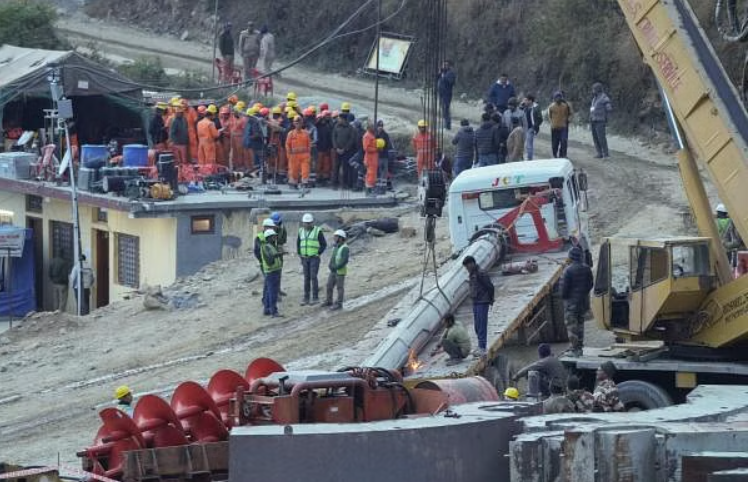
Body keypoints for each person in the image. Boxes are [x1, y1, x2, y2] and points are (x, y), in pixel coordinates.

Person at [562, 246, 594, 356]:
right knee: (580, 325)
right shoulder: (587, 268)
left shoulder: (568, 270)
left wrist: (567, 298)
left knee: (571, 326)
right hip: (583, 303)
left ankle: (575, 350)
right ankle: (580, 347)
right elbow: (590, 285)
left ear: (571, 257)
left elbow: (564, 291)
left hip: (571, 304)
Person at [462, 255, 495, 357]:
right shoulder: (472, 274)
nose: (467, 269)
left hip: (482, 302)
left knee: (481, 325)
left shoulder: (481, 273)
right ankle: (480, 346)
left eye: (467, 266)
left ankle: (483, 347)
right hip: (476, 302)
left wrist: (490, 299)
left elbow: (490, 287)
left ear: (472, 264)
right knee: (477, 326)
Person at [297, 213, 327, 305]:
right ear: (303, 223)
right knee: (306, 278)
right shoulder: (300, 231)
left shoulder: (318, 231)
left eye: (309, 223)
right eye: (306, 223)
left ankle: (315, 298)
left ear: (312, 223)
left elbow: (323, 244)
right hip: (304, 258)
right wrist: (300, 255)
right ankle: (306, 298)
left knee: (313, 277)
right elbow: (298, 244)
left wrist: (318, 253)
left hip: (314, 258)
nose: (307, 224)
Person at [324, 229, 349, 310]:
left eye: (336, 236)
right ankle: (329, 301)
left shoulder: (345, 248)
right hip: (333, 271)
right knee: (329, 285)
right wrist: (330, 265)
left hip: (340, 272)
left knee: (339, 287)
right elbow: (333, 257)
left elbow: (344, 261)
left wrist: (336, 267)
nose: (334, 238)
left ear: (341, 238)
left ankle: (339, 303)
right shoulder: (336, 246)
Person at [285, 116, 312, 190]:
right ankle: (293, 183)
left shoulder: (306, 133)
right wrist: (289, 155)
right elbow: (287, 144)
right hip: (294, 156)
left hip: (304, 155)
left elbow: (309, 144)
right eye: (296, 123)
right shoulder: (291, 134)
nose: (298, 125)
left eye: (299, 123)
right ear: (294, 124)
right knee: (293, 170)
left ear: (302, 123)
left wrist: (308, 154)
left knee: (305, 170)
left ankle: (304, 183)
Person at [261, 229, 283, 317]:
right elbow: (270, 258)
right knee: (272, 292)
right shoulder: (266, 246)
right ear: (268, 237)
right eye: (273, 236)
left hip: (273, 271)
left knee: (269, 291)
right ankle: (274, 311)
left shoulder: (271, 245)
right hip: (272, 271)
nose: (275, 237)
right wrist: (279, 254)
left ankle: (267, 309)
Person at [333, 113, 358, 190]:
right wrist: (336, 147)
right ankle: (335, 183)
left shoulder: (350, 128)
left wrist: (345, 148)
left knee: (345, 168)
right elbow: (333, 137)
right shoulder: (336, 126)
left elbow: (352, 139)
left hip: (346, 151)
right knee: (336, 167)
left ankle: (344, 184)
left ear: (343, 119)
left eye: (339, 118)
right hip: (337, 151)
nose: (338, 120)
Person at [590, 82, 613, 158]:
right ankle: (599, 153)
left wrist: (608, 109)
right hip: (593, 120)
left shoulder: (604, 97)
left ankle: (606, 154)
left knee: (601, 138)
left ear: (597, 89)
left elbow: (608, 105)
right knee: (595, 137)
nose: (592, 91)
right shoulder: (594, 98)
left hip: (600, 120)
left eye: (594, 89)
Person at [548, 91, 573, 158]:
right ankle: (554, 155)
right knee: (555, 143)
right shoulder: (551, 107)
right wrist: (553, 123)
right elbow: (550, 116)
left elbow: (569, 113)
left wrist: (568, 120)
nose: (558, 98)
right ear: (554, 98)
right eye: (557, 97)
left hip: (563, 127)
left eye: (560, 97)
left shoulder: (565, 105)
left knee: (564, 141)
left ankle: (563, 155)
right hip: (554, 127)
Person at [437, 60, 457, 130]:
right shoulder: (442, 72)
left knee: (446, 109)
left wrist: (443, 76)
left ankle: (447, 125)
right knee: (443, 109)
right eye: (443, 65)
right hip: (441, 93)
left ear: (449, 66)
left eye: (446, 65)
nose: (444, 66)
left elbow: (451, 82)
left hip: (447, 94)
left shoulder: (451, 73)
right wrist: (439, 74)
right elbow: (436, 78)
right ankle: (446, 124)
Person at [169, 103, 189, 168]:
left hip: (183, 143)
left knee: (184, 160)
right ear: (176, 113)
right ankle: (180, 174)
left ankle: (185, 172)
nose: (180, 114)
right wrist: (172, 141)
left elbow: (186, 129)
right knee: (178, 160)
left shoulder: (184, 120)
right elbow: (172, 132)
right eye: (179, 112)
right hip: (177, 143)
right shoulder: (174, 121)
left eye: (181, 112)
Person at [316, 111, 334, 184]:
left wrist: (330, 146)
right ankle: (319, 178)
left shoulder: (329, 125)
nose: (327, 118)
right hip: (320, 148)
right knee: (319, 164)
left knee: (326, 164)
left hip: (327, 148)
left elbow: (330, 137)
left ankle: (325, 178)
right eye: (325, 116)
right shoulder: (318, 126)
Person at [375, 120, 393, 194]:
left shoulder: (385, 135)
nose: (380, 127)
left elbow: (388, 145)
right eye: (379, 126)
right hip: (377, 156)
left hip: (384, 156)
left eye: (381, 126)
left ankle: (383, 189)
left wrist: (383, 148)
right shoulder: (375, 134)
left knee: (384, 173)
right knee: (378, 173)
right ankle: (379, 188)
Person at [523, 95, 543, 160]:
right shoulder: (525, 107)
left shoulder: (536, 107)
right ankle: (528, 157)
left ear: (530, 101)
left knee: (529, 144)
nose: (525, 101)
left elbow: (540, 119)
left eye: (526, 100)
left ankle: (529, 158)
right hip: (525, 127)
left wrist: (535, 127)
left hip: (531, 128)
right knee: (526, 143)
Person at [363, 123, 379, 196]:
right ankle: (369, 191)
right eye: (373, 127)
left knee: (372, 175)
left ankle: (370, 190)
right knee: (370, 174)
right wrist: (376, 149)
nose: (374, 128)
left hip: (373, 158)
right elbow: (366, 148)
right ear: (369, 128)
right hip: (370, 159)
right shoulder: (367, 136)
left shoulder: (371, 135)